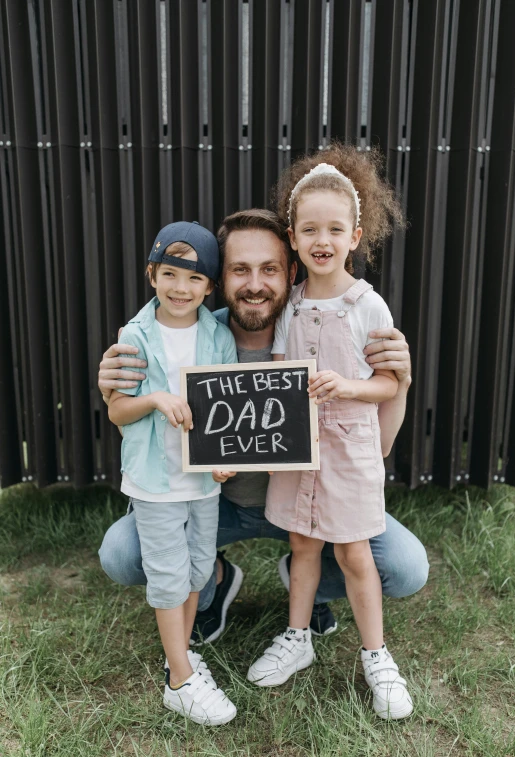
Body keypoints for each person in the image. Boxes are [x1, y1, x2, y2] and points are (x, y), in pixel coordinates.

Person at [98, 209, 428, 649]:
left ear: (291, 271)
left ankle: (306, 584)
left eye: (269, 269)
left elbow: (381, 445)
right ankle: (211, 580)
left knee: (405, 566)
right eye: (240, 270)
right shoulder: (188, 336)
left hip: (309, 504)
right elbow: (145, 436)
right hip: (213, 505)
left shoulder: (324, 335)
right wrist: (115, 396)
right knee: (122, 553)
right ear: (219, 278)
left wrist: (399, 385)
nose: (255, 284)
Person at [247, 145, 413, 720]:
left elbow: (389, 384)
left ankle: (377, 656)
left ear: (356, 235)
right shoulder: (288, 304)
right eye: (310, 228)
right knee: (302, 546)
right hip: (298, 447)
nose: (323, 239)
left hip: (347, 449)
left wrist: (348, 387)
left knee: (355, 552)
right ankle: (297, 639)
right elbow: (276, 368)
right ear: (292, 237)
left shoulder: (366, 305)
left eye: (335, 229)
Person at [107, 221, 238, 726]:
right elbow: (119, 411)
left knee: (197, 571)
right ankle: (180, 680)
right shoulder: (135, 335)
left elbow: (226, 409)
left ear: (210, 287)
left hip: (202, 481)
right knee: (167, 577)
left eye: (194, 279)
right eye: (169, 275)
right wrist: (156, 399)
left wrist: (225, 456)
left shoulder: (217, 336)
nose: (180, 289)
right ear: (151, 276)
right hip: (156, 484)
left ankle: (177, 653)